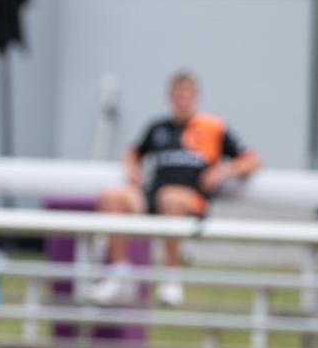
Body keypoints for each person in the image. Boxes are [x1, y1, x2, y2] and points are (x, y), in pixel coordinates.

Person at [90, 71, 261, 306]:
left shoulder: (213, 127)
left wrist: (224, 171)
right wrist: (132, 169)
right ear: (169, 98)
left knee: (171, 198)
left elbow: (251, 160)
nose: (182, 99)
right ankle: (120, 274)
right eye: (177, 94)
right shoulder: (158, 127)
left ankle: (172, 278)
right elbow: (132, 153)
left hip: (190, 200)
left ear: (196, 97)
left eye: (187, 94)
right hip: (154, 195)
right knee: (112, 195)